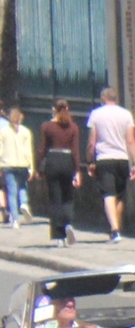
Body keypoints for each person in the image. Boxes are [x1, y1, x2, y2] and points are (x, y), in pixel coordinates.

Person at [84, 86, 135, 245]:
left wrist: (89, 161)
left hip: (104, 158)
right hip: (122, 159)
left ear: (103, 98)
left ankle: (114, 230)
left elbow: (92, 142)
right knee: (120, 195)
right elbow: (130, 140)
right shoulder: (126, 114)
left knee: (108, 194)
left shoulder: (96, 114)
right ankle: (116, 228)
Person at [36, 100, 82, 246]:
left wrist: (38, 168)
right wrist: (77, 171)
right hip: (68, 160)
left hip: (53, 161)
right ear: (67, 109)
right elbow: (75, 151)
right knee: (68, 196)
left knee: (55, 198)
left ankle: (58, 236)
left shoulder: (47, 126)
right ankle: (68, 223)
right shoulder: (73, 127)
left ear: (53, 110)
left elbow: (42, 149)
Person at [0, 107, 31, 228]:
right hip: (23, 164)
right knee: (23, 186)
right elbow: (29, 151)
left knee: (11, 192)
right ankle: (24, 203)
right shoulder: (26, 131)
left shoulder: (3, 132)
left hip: (8, 164)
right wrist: (31, 166)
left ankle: (15, 220)